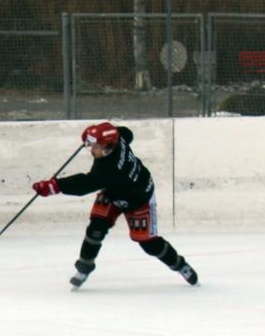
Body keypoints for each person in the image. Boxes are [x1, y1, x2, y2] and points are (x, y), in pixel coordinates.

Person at [32, 121, 198, 289]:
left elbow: (85, 184)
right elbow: (127, 132)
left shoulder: (109, 169)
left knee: (149, 243)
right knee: (95, 229)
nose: (91, 150)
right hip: (113, 192)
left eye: (95, 146)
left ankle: (180, 265)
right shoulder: (119, 138)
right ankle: (84, 266)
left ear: (108, 148)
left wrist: (54, 186)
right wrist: (96, 135)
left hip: (138, 199)